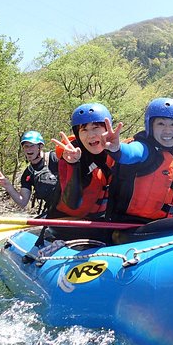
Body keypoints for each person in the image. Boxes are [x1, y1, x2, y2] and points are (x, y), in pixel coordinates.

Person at [101, 97, 173, 243]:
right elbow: (130, 153)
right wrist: (116, 148)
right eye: (161, 123)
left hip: (155, 228)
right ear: (150, 126)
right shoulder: (144, 149)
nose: (167, 130)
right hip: (126, 230)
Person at [46, 103, 115, 243]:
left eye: (96, 127)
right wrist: (74, 164)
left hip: (99, 224)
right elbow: (72, 203)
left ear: (107, 129)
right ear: (78, 134)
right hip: (63, 226)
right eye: (84, 130)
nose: (90, 135)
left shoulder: (118, 152)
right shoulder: (70, 156)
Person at [0, 130, 59, 215]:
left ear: (40, 147)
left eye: (32, 146)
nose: (28, 149)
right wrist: (8, 186)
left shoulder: (54, 158)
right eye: (26, 146)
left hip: (71, 207)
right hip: (53, 211)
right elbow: (23, 202)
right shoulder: (28, 173)